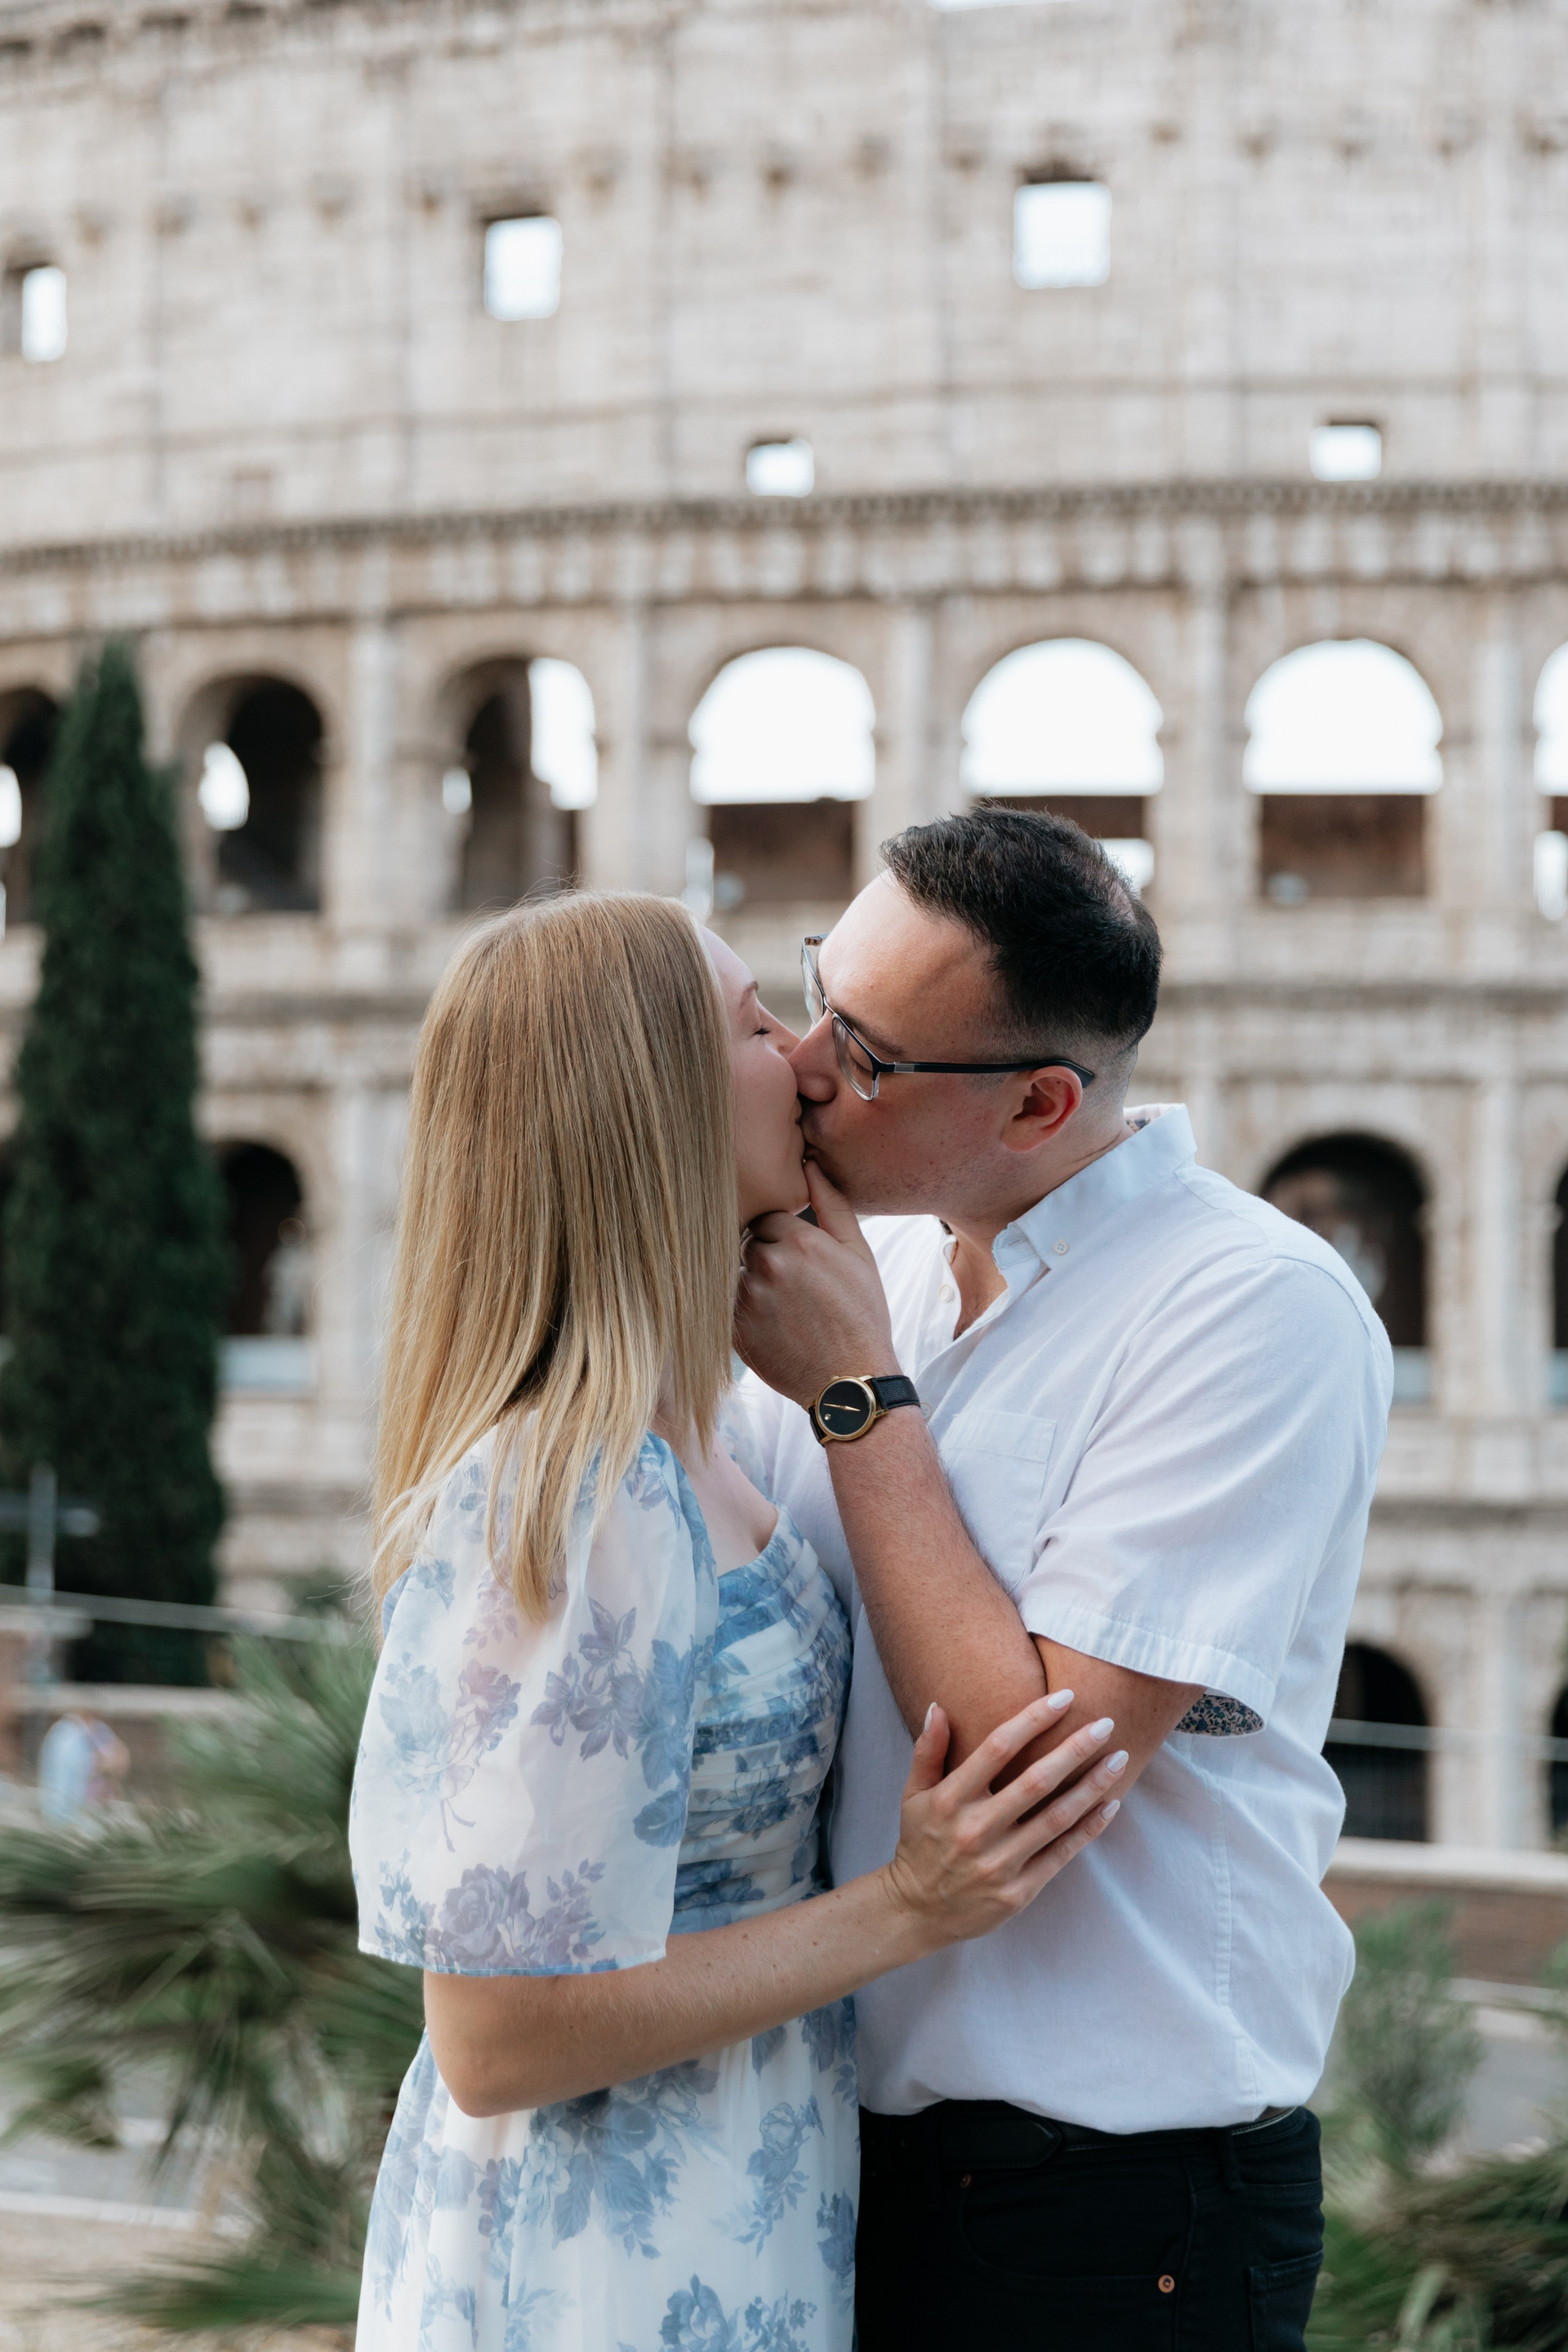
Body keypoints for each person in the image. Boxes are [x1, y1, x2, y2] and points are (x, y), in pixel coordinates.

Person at [347, 892, 1126, 2352]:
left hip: (736, 2196)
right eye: (757, 1023)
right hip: (603, 2256)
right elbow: (495, 2038)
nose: (811, 1058)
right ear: (654, 1108)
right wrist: (908, 1905)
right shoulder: (576, 1493)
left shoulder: (707, 1441)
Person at [735, 807, 1394, 2352]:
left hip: (1114, 2205)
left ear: (1039, 1102)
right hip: (825, 2151)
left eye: (866, 1052)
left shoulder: (1250, 1306)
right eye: (818, 996)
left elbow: (1025, 1770)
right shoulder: (877, 1265)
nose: (809, 1065)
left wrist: (857, 1399)